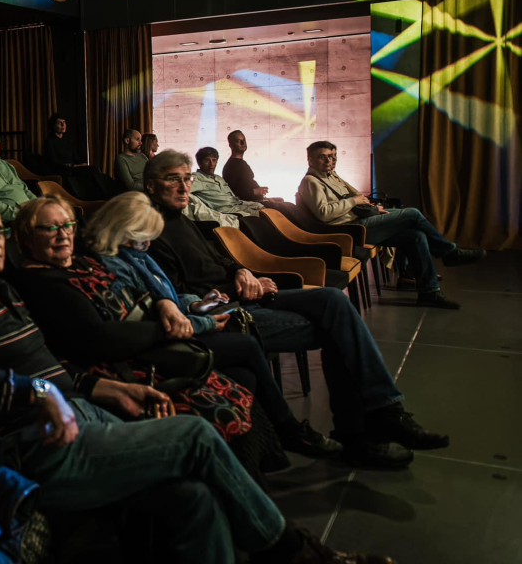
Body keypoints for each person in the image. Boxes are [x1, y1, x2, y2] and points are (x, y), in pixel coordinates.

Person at [0, 196, 394, 564]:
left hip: (83, 413)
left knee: (195, 497)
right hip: (36, 447)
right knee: (194, 433)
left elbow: (53, 367)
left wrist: (105, 388)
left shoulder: (2, 293)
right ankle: (293, 552)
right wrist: (42, 393)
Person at [144, 149, 449, 468]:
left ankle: (383, 413)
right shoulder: (150, 229)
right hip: (222, 312)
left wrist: (241, 271)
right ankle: (363, 431)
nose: (184, 187)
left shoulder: (182, 216)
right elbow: (180, 295)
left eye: (187, 179)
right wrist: (236, 286)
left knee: (333, 299)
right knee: (337, 330)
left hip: (243, 291)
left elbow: (214, 258)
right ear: (151, 186)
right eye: (173, 179)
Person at [10, 193, 339, 458]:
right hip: (134, 355)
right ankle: (284, 432)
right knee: (248, 344)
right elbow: (104, 335)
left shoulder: (87, 262)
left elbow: (147, 299)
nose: (63, 234)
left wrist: (186, 306)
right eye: (49, 229)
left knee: (248, 369)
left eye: (67, 225)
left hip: (161, 330)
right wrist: (195, 320)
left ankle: (258, 454)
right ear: (27, 237)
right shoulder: (49, 279)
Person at [298, 141, 485, 310]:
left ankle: (429, 292)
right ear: (310, 160)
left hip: (357, 222)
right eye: (323, 157)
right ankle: (449, 253)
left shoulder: (331, 177)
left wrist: (370, 208)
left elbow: (346, 202)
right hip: (350, 230)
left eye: (332, 156)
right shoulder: (310, 182)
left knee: (415, 236)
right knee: (412, 214)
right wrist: (354, 201)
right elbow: (323, 214)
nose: (329, 161)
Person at [191, 147, 264, 217]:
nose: (211, 164)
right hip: (227, 213)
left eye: (214, 160)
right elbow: (183, 191)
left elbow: (235, 199)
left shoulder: (219, 178)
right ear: (199, 163)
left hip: (237, 205)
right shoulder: (196, 178)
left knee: (264, 208)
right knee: (265, 216)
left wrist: (255, 205)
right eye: (207, 161)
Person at [223, 130, 270, 202]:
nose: (243, 143)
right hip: (247, 205)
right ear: (231, 145)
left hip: (257, 201)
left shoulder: (241, 163)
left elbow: (247, 185)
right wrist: (255, 192)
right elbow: (232, 193)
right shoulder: (231, 166)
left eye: (244, 140)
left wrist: (263, 197)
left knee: (284, 203)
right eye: (238, 141)